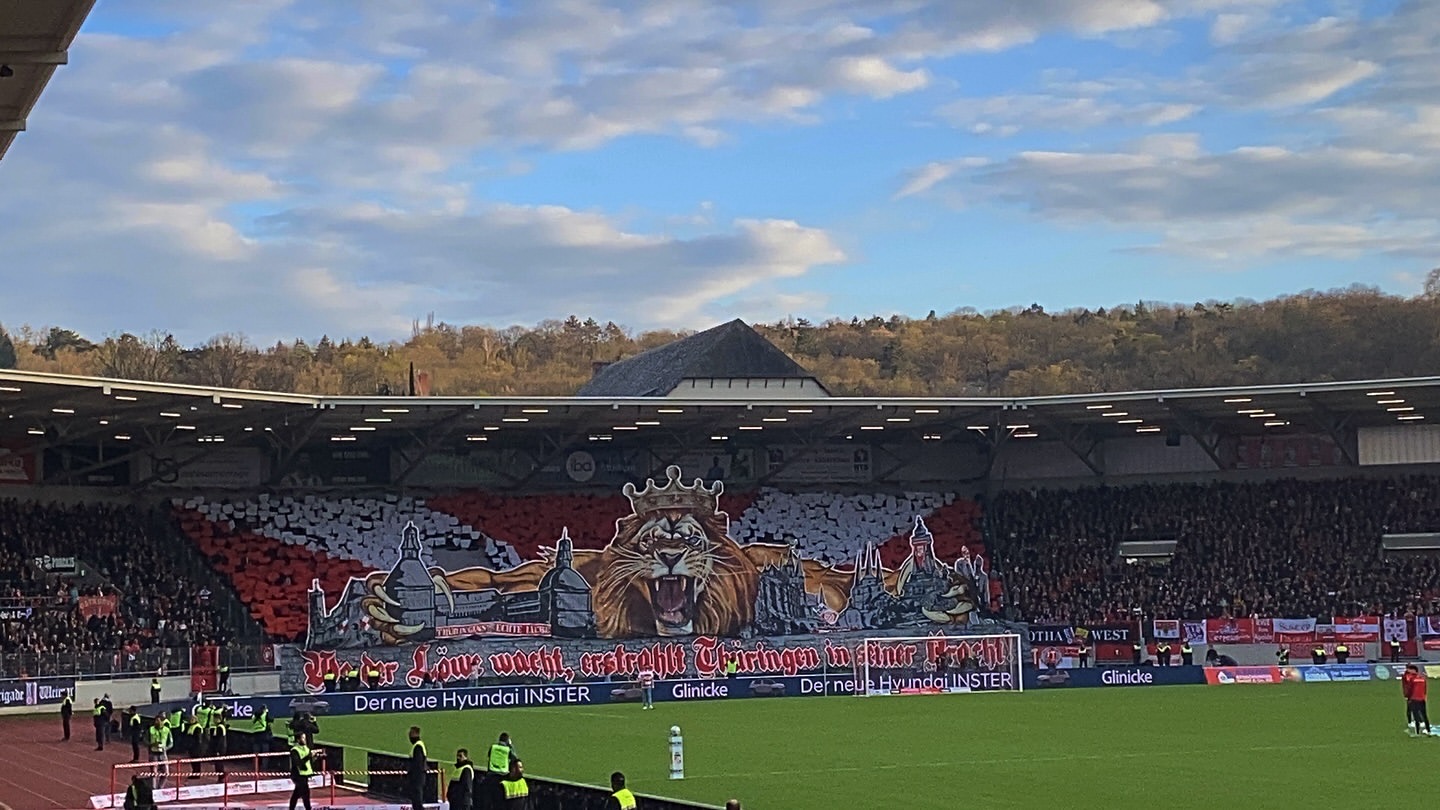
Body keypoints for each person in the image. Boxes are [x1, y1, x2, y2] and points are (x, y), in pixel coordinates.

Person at [1403, 664, 1431, 736]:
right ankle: (1428, 731)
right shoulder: (1422, 678)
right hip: (1422, 698)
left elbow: (1410, 689)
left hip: (1414, 699)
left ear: (1413, 670)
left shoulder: (1412, 679)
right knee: (1424, 715)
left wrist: (1408, 697)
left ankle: (1417, 732)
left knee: (1416, 716)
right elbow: (1425, 689)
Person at [289, 734, 315, 810]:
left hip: (305, 774)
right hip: (298, 775)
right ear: (298, 740)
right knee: (305, 794)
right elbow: (298, 763)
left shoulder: (306, 748)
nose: (305, 740)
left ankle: (291, 808)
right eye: (303, 738)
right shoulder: (294, 750)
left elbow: (309, 761)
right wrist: (308, 757)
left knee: (297, 794)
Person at [407, 726, 428, 810]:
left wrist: (412, 775)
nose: (409, 735)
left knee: (417, 801)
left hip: (417, 777)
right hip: (418, 776)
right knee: (416, 800)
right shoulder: (417, 745)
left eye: (411, 733)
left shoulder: (418, 746)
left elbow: (418, 764)